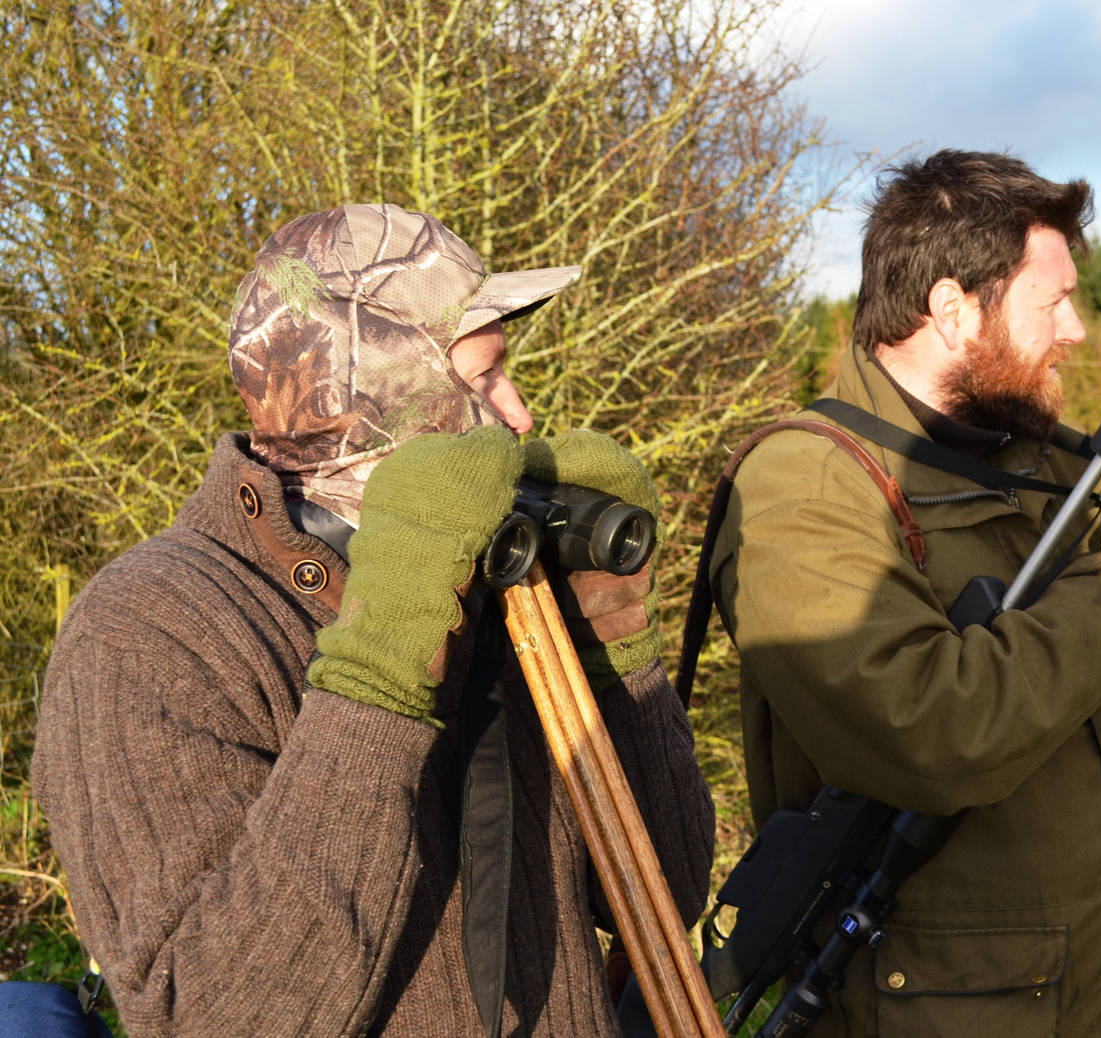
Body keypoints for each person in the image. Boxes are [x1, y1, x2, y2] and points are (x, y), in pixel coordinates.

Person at [33, 203, 715, 1037]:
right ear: (388, 396)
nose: (522, 415)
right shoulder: (150, 629)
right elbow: (211, 1016)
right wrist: (381, 664)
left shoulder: (499, 579)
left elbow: (664, 892)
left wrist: (615, 640)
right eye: (483, 378)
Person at [708, 151, 1101, 1037]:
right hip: (944, 1002)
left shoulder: (1028, 453)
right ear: (952, 308)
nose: (1078, 328)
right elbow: (930, 733)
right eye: (1053, 302)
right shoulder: (806, 484)